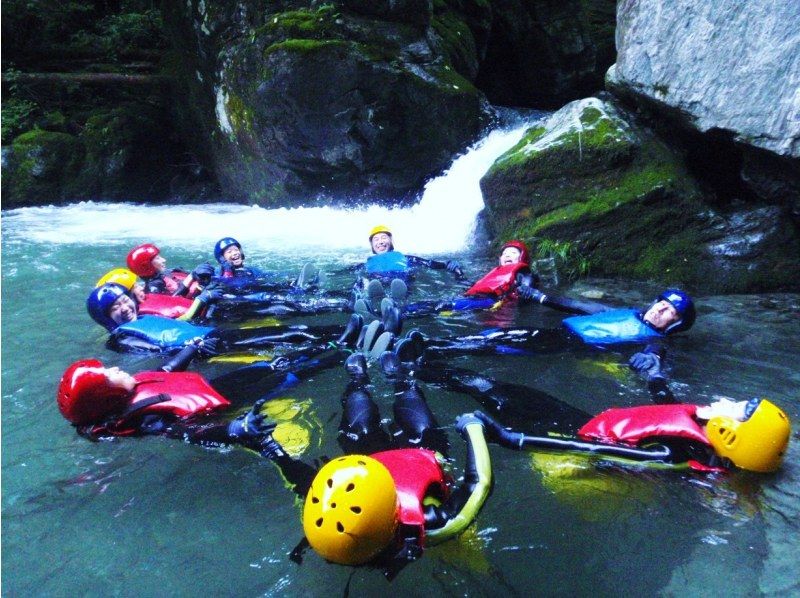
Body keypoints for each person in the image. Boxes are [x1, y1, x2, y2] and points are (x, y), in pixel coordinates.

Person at [384, 344, 791, 474]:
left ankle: (403, 374)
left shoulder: (675, 456)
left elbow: (596, 451)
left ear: (731, 435)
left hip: (569, 432)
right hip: (578, 418)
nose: (724, 402)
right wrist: (655, 376)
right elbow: (671, 410)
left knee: (488, 391)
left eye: (735, 409)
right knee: (490, 385)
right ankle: (419, 363)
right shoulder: (696, 437)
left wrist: (509, 437)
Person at [258, 353, 492, 576]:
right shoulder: (433, 525)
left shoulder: (325, 523)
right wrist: (473, 427)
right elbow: (479, 482)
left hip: (366, 459)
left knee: (360, 421)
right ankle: (402, 379)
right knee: (418, 419)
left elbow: (300, 478)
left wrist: (268, 447)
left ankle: (358, 379)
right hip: (420, 457)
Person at [56, 341, 345, 454]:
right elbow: (186, 432)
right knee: (286, 378)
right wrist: (233, 430)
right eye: (109, 374)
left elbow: (167, 371)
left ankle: (336, 342)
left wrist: (192, 349)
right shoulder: (147, 418)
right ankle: (340, 356)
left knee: (272, 364)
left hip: (213, 386)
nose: (116, 368)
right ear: (109, 395)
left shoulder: (134, 388)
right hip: (223, 403)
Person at [395, 288, 697, 374]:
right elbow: (576, 306)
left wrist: (651, 361)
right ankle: (433, 349)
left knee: (501, 340)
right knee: (499, 340)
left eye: (668, 310)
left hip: (571, 345)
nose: (660, 309)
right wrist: (539, 297)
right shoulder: (624, 312)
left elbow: (655, 352)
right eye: (661, 303)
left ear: (675, 323)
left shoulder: (656, 339)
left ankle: (430, 349)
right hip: (558, 332)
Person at [86, 282, 368, 356]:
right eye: (116, 308)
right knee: (287, 335)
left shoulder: (143, 316)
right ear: (106, 318)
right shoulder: (120, 338)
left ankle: (351, 331)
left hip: (207, 335)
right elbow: (153, 350)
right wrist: (190, 347)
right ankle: (346, 339)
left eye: (125, 301)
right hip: (202, 348)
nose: (125, 307)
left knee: (292, 330)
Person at [400, 240, 539, 317]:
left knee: (441, 306)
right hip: (477, 299)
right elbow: (469, 285)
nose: (507, 255)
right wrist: (457, 271)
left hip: (491, 302)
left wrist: (526, 289)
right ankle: (398, 311)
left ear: (521, 258)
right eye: (505, 253)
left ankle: (400, 315)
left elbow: (527, 285)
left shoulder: (522, 273)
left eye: (513, 253)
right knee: (434, 303)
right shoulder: (495, 274)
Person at [351, 225, 464, 314]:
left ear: (391, 241)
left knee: (400, 282)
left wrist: (451, 267)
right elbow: (342, 272)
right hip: (378, 280)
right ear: (372, 245)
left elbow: (432, 264)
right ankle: (376, 300)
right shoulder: (365, 264)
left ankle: (397, 302)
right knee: (363, 280)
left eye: (384, 238)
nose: (380, 242)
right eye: (376, 239)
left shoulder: (407, 258)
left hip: (401, 280)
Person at [96, 268, 198, 319]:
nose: (141, 288)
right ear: (127, 295)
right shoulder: (142, 316)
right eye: (135, 287)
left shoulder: (147, 299)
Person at [126, 243, 212, 298]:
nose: (164, 260)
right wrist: (191, 277)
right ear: (146, 266)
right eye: (158, 258)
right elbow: (170, 301)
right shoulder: (154, 287)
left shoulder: (165, 274)